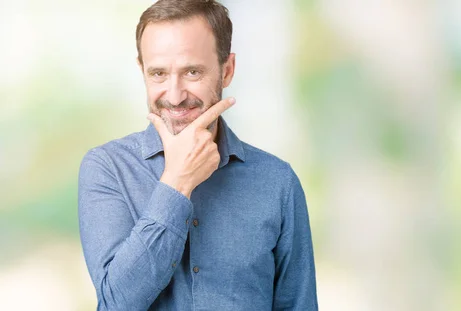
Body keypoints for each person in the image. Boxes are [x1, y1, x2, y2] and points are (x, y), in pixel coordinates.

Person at [77, 0, 318, 309]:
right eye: (159, 74)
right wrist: (177, 183)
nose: (175, 97)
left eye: (192, 72)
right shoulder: (107, 169)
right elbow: (116, 303)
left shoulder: (277, 182)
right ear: (142, 70)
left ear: (227, 70)